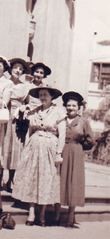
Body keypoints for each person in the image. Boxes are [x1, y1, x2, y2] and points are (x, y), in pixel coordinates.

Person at [12, 86, 66, 227]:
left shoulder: (58, 112)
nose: (42, 97)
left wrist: (59, 153)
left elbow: (62, 135)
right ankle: (31, 212)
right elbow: (29, 132)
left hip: (50, 147)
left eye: (45, 95)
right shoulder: (34, 112)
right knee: (32, 178)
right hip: (34, 147)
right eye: (40, 95)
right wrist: (26, 148)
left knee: (46, 180)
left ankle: (42, 214)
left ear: (51, 97)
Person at [54, 91, 94, 228]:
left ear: (78, 108)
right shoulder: (61, 121)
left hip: (77, 153)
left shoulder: (83, 122)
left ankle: (71, 216)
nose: (71, 108)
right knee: (60, 181)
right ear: (65, 106)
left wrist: (80, 148)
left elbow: (90, 140)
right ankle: (57, 215)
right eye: (68, 105)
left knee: (74, 182)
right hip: (62, 152)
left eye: (74, 106)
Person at [2, 58, 31, 191]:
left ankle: (12, 180)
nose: (18, 71)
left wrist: (23, 108)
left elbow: (28, 103)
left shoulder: (25, 86)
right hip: (3, 115)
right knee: (2, 145)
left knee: (15, 147)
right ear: (10, 69)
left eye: (21, 69)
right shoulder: (5, 82)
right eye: (16, 68)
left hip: (16, 119)